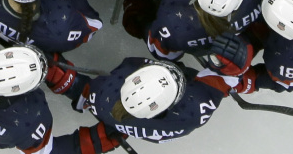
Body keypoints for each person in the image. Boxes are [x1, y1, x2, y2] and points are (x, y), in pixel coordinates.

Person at [46, 55, 227, 143]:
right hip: (123, 121)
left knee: (79, 88)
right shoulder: (193, 112)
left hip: (104, 108)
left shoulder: (105, 95)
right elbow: (228, 78)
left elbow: (130, 63)